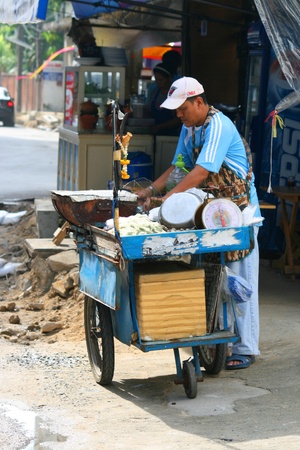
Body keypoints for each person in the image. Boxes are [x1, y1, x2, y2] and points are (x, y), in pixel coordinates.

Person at [138, 76, 261, 370]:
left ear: (199, 102)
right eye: (176, 110)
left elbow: (202, 172)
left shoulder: (219, 125)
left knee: (238, 280)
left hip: (239, 214)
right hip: (211, 213)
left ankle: (245, 347)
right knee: (213, 276)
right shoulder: (189, 129)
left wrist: (168, 198)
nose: (178, 115)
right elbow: (178, 166)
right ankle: (218, 343)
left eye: (182, 108)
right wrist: (151, 190)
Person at [146, 63, 181, 136]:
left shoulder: (176, 94)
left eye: (161, 80)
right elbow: (149, 111)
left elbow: (179, 119)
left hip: (172, 136)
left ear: (170, 78)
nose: (158, 82)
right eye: (156, 80)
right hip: (155, 133)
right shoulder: (154, 92)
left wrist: (160, 127)